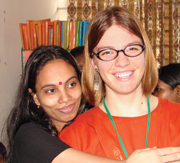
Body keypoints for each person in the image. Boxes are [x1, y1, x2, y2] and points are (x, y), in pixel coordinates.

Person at [59, 6, 180, 162]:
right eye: (107, 52)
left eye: (132, 48)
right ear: (93, 61)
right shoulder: (74, 138)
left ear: (145, 53)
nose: (122, 62)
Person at [5, 45, 125, 163]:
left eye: (71, 84)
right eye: (51, 90)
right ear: (35, 97)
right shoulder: (28, 136)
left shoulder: (84, 127)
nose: (65, 98)